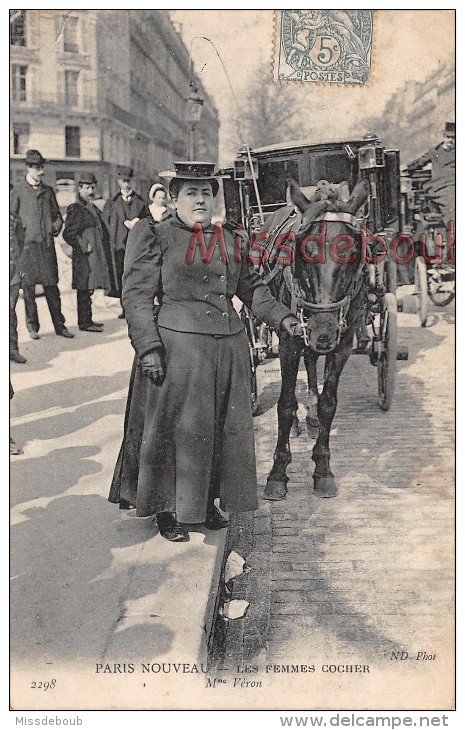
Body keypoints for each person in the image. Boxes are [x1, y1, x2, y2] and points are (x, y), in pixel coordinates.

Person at [108, 161, 302, 542]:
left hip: (228, 347)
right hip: (177, 349)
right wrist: (148, 348)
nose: (200, 200)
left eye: (206, 193)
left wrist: (283, 319)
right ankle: (167, 509)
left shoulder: (230, 237)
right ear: (175, 199)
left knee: (220, 430)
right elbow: (136, 296)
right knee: (174, 431)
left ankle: (208, 501)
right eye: (191, 194)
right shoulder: (154, 234)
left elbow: (252, 288)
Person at [10, 149, 74, 340]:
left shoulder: (48, 191)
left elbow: (57, 217)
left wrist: (54, 228)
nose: (41, 172)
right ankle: (33, 327)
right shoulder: (19, 191)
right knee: (28, 290)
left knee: (52, 287)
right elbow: (11, 217)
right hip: (27, 249)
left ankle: (60, 326)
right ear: (29, 168)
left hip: (46, 247)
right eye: (37, 168)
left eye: (42, 167)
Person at [62, 172, 118, 332]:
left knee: (89, 288)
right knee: (84, 287)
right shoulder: (76, 208)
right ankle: (84, 322)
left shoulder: (90, 206)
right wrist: (82, 244)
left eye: (92, 187)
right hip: (84, 256)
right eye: (87, 187)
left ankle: (88, 319)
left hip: (92, 256)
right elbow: (68, 234)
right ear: (80, 188)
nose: (90, 191)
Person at [103, 166, 145, 318]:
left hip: (135, 247)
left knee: (135, 277)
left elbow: (149, 222)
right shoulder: (111, 203)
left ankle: (134, 307)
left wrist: (138, 221)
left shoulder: (140, 202)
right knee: (121, 276)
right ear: (119, 182)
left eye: (129, 181)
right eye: (123, 181)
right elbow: (105, 225)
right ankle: (124, 307)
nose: (126, 185)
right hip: (119, 247)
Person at [406, 122, 455, 225]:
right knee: (452, 206)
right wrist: (407, 168)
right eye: (448, 137)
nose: (451, 140)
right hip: (442, 187)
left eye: (454, 138)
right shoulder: (435, 152)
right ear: (444, 137)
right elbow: (419, 162)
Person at [9, 213, 26, 363]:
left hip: (12, 274)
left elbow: (21, 242)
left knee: (10, 313)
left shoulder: (13, 219)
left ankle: (13, 350)